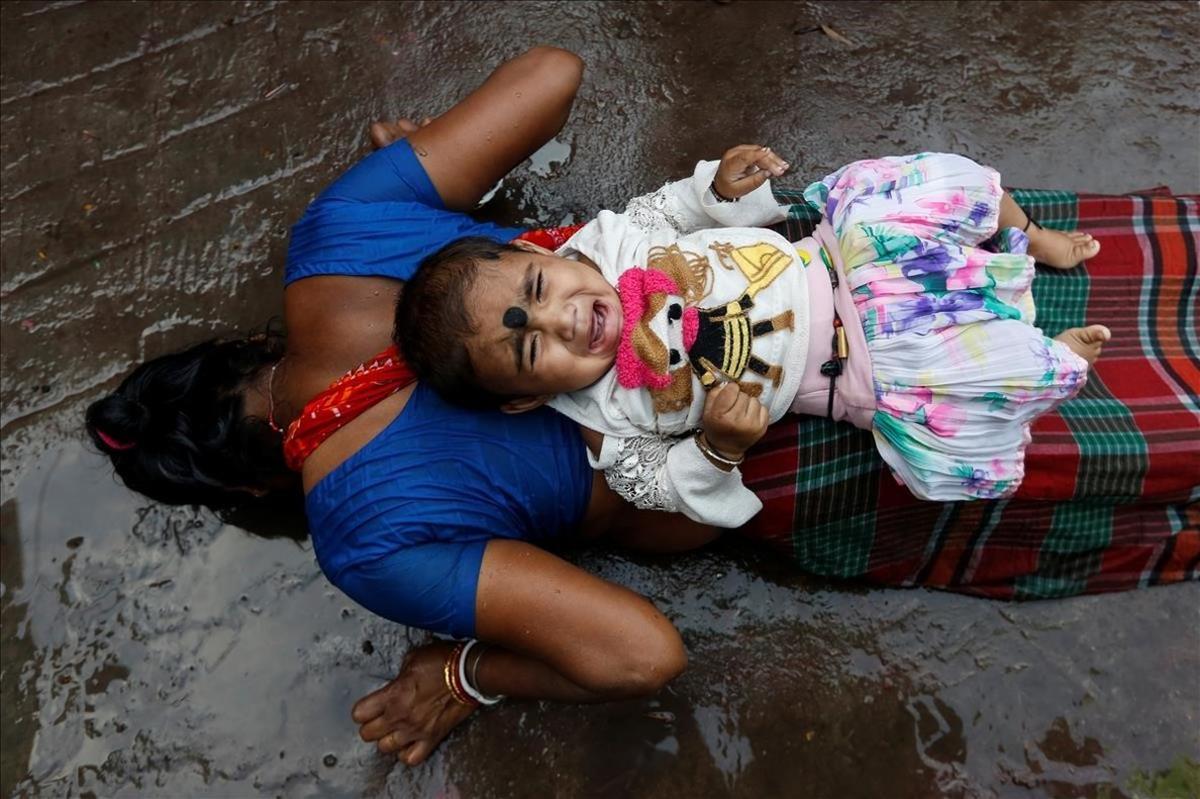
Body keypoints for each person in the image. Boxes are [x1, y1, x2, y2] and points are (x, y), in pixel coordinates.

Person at [84, 46, 731, 766]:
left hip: (745, 465)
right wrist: (442, 177)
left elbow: (642, 656)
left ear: (248, 486)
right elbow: (553, 73)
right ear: (240, 344)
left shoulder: (364, 541)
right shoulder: (339, 230)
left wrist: (464, 672)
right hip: (750, 278)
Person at [396, 147, 1111, 525]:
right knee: (972, 387)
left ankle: (1026, 235)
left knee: (932, 179)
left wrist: (721, 188)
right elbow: (670, 487)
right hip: (862, 367)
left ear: (542, 254)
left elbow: (673, 206)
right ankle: (1048, 360)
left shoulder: (609, 245)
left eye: (538, 289)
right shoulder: (605, 428)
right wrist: (717, 446)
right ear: (523, 400)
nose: (563, 317)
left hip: (843, 250)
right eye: (531, 348)